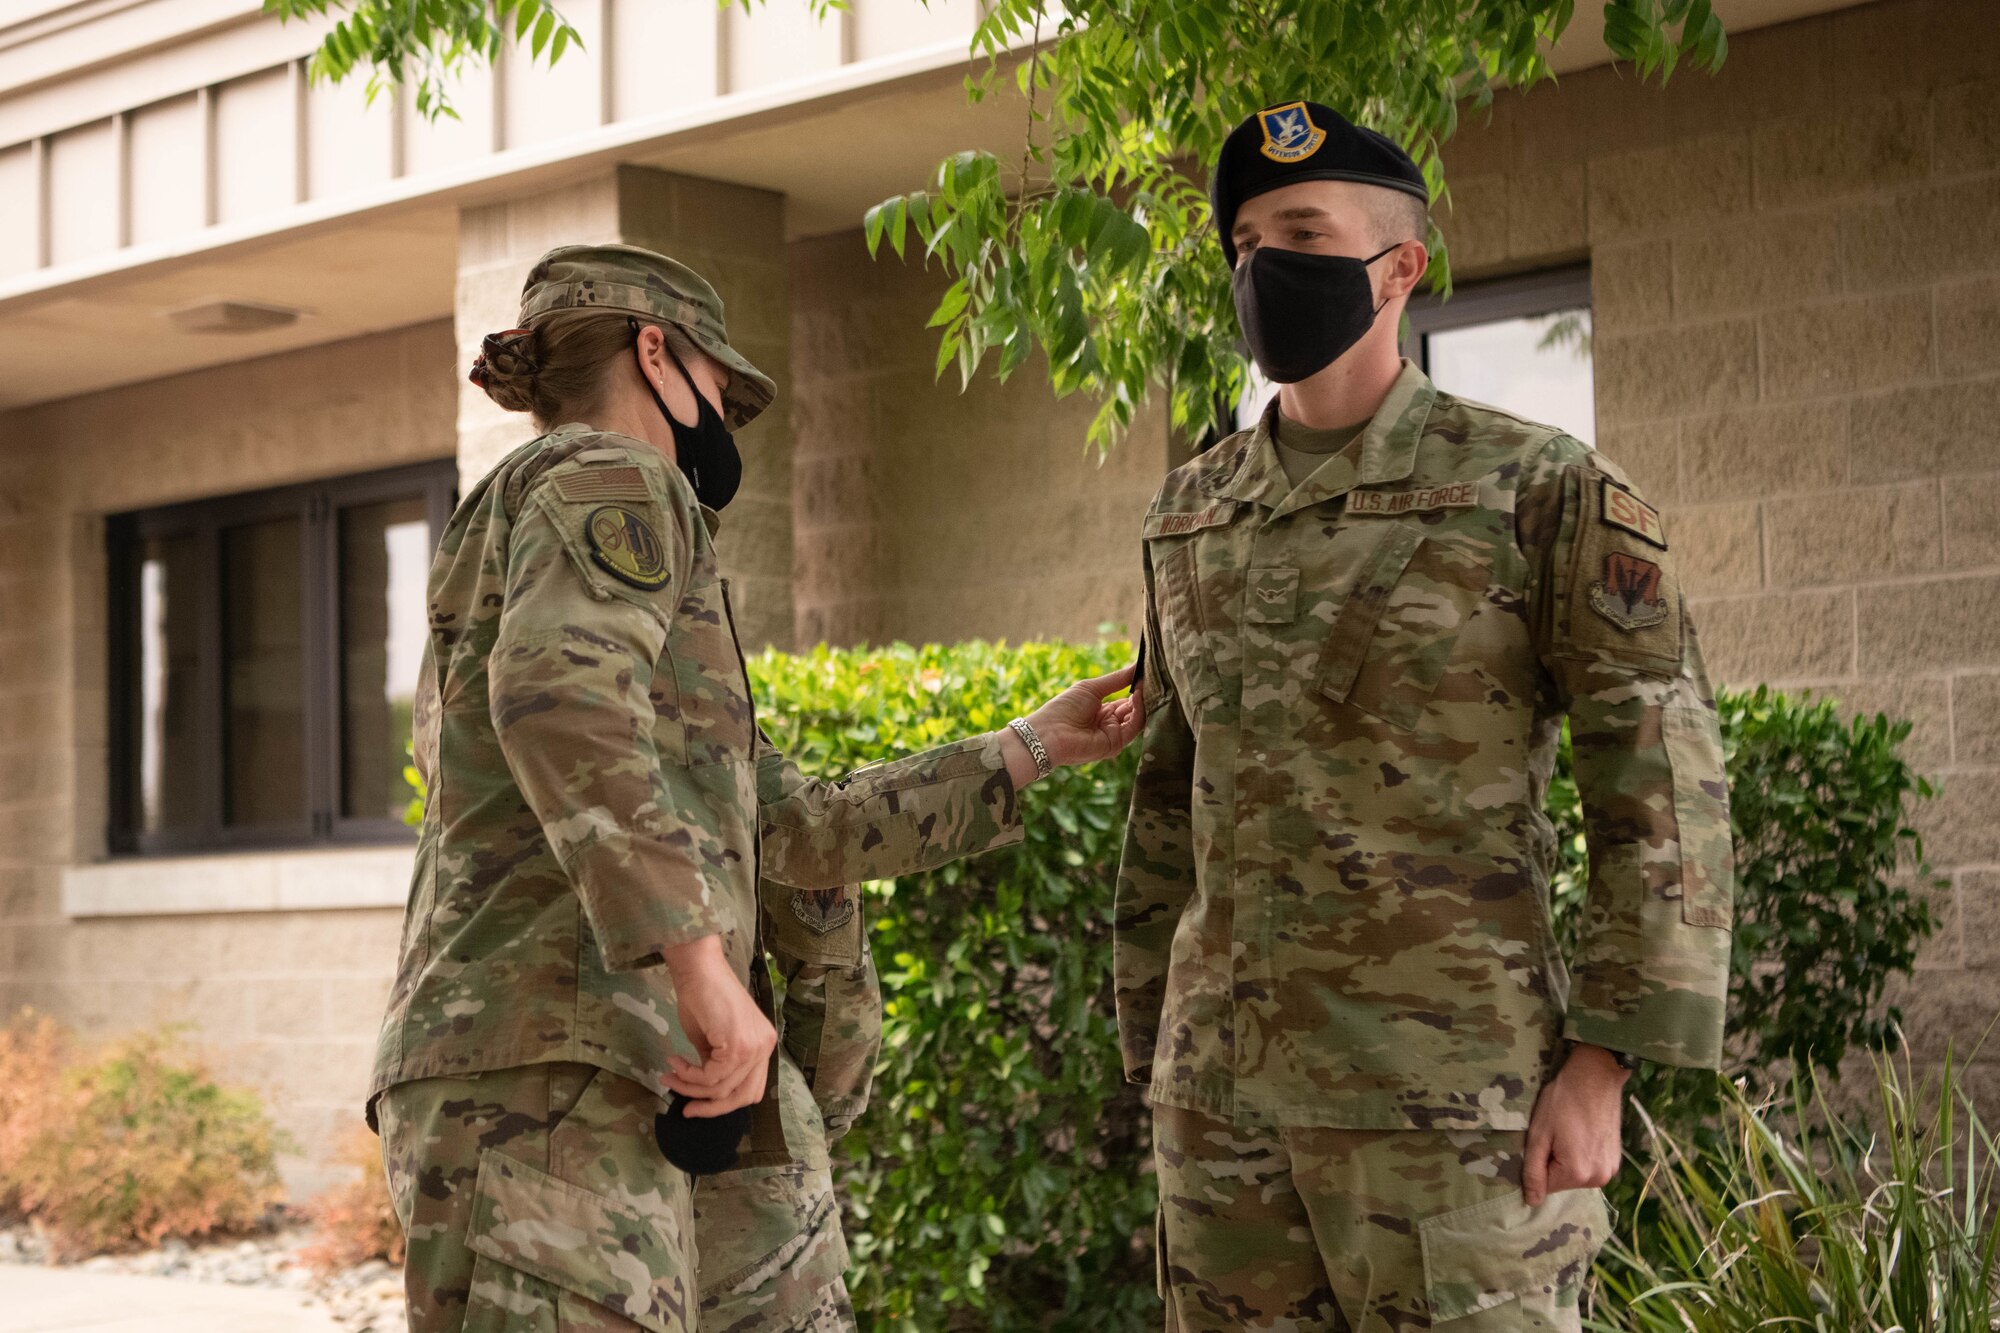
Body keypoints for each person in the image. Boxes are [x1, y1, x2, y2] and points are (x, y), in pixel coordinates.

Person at [369, 243, 1143, 1333]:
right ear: (655, 352)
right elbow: (558, 700)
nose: (723, 430)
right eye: (722, 396)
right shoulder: (608, 473)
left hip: (619, 1067)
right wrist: (700, 969)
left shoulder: (551, 524)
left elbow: (794, 822)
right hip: (550, 1070)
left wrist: (1029, 747)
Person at [1115, 100, 1733, 1332]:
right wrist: (1152, 1050)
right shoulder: (1190, 513)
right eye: (1242, 244)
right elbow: (1167, 797)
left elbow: (1655, 773)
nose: (1261, 267)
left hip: (1456, 1114)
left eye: (1298, 229)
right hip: (1224, 1121)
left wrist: (1602, 1064)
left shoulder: (1534, 487)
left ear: (1397, 268)